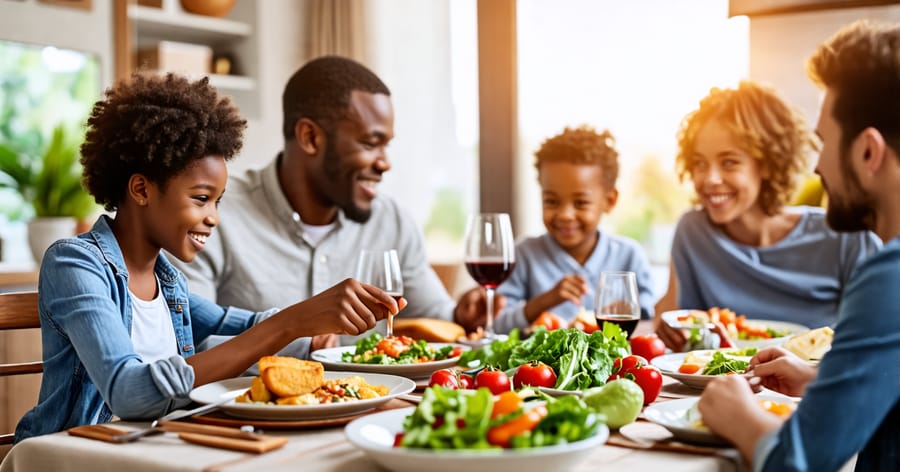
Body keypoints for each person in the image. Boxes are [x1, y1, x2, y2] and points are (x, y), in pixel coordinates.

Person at [15, 74, 400, 442]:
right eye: (201, 198)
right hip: (69, 456)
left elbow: (243, 325)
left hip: (154, 447)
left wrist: (314, 333)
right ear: (141, 189)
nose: (214, 217)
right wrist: (290, 324)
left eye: (217, 201)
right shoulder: (75, 265)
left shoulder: (169, 284)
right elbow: (129, 393)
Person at [698, 20, 900, 472]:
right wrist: (822, 378)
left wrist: (737, 413)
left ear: (868, 151)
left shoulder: (888, 276)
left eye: (825, 141)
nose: (817, 167)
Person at [172, 55, 494, 351]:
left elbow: (435, 315)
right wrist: (302, 345)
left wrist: (462, 315)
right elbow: (188, 341)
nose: (384, 163)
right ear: (311, 138)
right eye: (371, 143)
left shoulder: (391, 220)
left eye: (387, 146)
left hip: (371, 409)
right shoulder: (214, 213)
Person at [653, 80, 880, 351]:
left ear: (769, 164)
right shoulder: (693, 231)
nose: (710, 179)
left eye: (729, 162)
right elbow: (675, 325)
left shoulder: (843, 236)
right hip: (727, 383)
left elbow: (875, 340)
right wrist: (669, 326)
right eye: (699, 163)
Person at [493, 126, 654, 334]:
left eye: (580, 203)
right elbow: (496, 325)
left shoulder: (629, 256)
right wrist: (544, 301)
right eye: (551, 201)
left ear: (609, 201)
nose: (565, 215)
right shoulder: (523, 254)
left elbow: (648, 325)